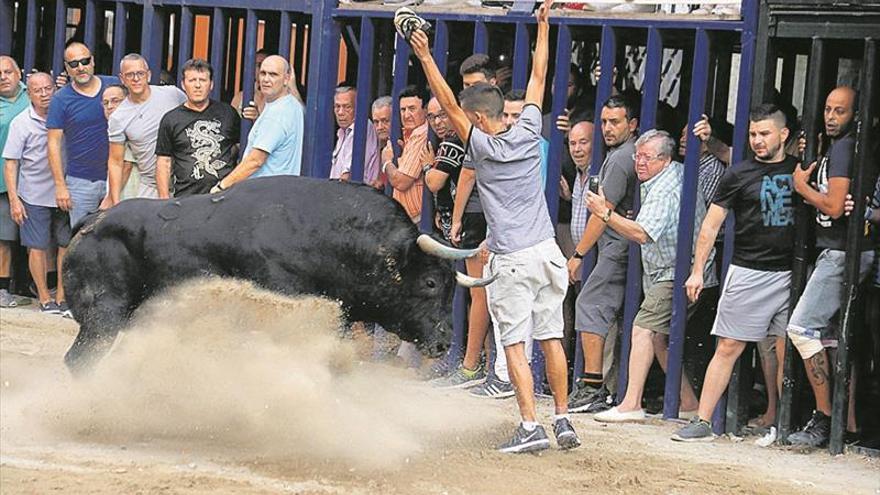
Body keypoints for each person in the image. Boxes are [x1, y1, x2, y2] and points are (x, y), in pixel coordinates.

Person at [410, 0, 581, 453]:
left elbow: (447, 101)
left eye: (466, 118)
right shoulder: (527, 129)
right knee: (551, 338)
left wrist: (426, 55)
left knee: (514, 347)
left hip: (512, 258)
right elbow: (539, 77)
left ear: (478, 119)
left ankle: (530, 427)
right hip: (549, 253)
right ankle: (563, 419)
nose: (457, 121)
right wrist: (544, 27)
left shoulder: (482, 146)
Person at [672, 104, 796, 442]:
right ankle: (703, 421)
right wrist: (697, 270)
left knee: (785, 350)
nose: (757, 140)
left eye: (764, 133)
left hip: (791, 273)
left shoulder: (800, 171)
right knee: (727, 345)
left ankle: (784, 426)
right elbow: (710, 226)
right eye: (753, 134)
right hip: (748, 270)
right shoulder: (738, 173)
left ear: (783, 135)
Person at [586, 130, 713, 422]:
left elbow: (642, 233)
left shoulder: (666, 187)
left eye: (647, 157)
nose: (639, 163)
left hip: (676, 272)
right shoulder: (668, 175)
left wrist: (604, 213)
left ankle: (631, 404)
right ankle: (689, 403)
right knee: (658, 339)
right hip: (672, 270)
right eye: (637, 156)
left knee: (643, 329)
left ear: (665, 160)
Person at [785, 86, 875, 448]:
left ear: (855, 114)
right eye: (827, 109)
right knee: (834, 338)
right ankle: (846, 423)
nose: (831, 116)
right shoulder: (837, 147)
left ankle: (823, 418)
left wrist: (800, 187)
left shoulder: (844, 148)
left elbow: (836, 207)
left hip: (841, 252)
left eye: (840, 111)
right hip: (840, 251)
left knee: (801, 328)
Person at [566, 94, 639, 414]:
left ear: (632, 124)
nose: (608, 128)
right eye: (605, 122)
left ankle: (593, 387)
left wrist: (579, 254)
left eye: (615, 122)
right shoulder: (619, 153)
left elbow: (602, 211)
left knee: (590, 304)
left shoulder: (622, 157)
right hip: (618, 245)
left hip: (618, 245)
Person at [423, 96, 490, 389]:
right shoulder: (468, 140)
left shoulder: (453, 142)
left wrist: (427, 168)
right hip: (466, 226)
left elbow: (436, 182)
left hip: (471, 226)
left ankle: (471, 365)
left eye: (442, 115)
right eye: (432, 117)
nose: (438, 122)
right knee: (477, 295)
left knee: (478, 295)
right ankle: (482, 361)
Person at [2, 72, 72, 316]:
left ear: (55, 89)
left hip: (66, 192)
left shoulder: (65, 114)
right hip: (33, 195)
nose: (44, 95)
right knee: (37, 247)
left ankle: (62, 297)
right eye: (38, 90)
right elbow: (10, 164)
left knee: (66, 244)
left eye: (48, 89)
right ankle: (44, 298)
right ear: (28, 94)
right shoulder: (21, 122)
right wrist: (14, 200)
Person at [46, 42, 119, 227]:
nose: (80, 67)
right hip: (80, 183)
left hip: (117, 179)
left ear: (93, 61)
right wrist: (60, 186)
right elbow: (53, 144)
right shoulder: (61, 99)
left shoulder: (113, 86)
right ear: (67, 68)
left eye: (85, 61)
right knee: (80, 240)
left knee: (116, 241)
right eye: (74, 64)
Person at [211, 55, 304, 192]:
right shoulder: (292, 104)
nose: (266, 79)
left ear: (286, 78)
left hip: (263, 197)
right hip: (279, 193)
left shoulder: (277, 114)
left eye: (273, 75)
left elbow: (255, 161)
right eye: (263, 73)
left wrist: (222, 186)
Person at [155, 59, 240, 198]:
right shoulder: (171, 119)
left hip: (225, 196)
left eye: (203, 80)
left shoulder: (228, 113)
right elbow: (164, 162)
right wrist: (164, 200)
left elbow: (242, 149)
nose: (198, 85)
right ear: (183, 84)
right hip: (187, 197)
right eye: (192, 80)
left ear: (211, 84)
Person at [107, 53, 187, 203]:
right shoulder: (118, 117)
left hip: (185, 183)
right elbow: (116, 162)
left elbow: (195, 112)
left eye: (140, 73)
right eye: (130, 74)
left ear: (148, 75)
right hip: (151, 188)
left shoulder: (172, 94)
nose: (136, 79)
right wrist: (114, 200)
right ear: (122, 79)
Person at [0, 56, 30, 307]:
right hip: (2, 182)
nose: (3, 77)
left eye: (8, 71)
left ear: (19, 74)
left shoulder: (33, 93)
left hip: (33, 181)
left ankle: (36, 286)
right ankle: (3, 289)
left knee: (36, 238)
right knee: (4, 238)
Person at [381, 85, 429, 224]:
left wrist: (386, 162)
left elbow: (401, 182)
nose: (406, 115)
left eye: (412, 109)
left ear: (425, 110)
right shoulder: (410, 135)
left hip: (419, 221)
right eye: (403, 110)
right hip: (412, 220)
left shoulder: (421, 135)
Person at [329, 86, 380, 184]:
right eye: (337, 106)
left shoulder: (362, 127)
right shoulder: (342, 133)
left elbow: (347, 175)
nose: (340, 112)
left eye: (347, 107)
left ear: (357, 108)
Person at [101, 84, 141, 200]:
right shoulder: (114, 126)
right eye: (105, 103)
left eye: (115, 101)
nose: (109, 106)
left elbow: (126, 166)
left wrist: (109, 199)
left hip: (130, 196)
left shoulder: (131, 126)